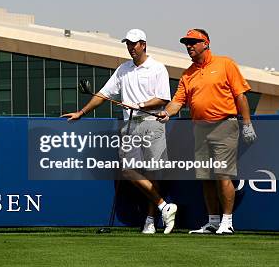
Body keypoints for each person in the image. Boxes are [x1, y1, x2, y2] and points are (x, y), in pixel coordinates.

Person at [62, 29, 177, 234]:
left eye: (134, 44)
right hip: (130, 126)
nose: (131, 48)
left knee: (152, 174)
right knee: (127, 170)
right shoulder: (123, 69)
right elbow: (103, 94)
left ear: (143, 44)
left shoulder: (158, 68)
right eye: (128, 44)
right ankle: (164, 206)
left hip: (152, 123)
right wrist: (82, 112)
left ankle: (150, 221)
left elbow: (163, 99)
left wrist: (139, 104)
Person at [157, 29, 257, 235]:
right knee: (206, 177)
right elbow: (177, 102)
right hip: (200, 129)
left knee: (222, 174)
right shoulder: (187, 74)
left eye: (193, 42)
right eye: (186, 43)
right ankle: (212, 222)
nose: (189, 46)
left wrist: (247, 124)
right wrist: (167, 113)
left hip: (224, 125)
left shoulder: (225, 64)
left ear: (206, 43)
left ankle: (227, 222)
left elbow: (240, 95)